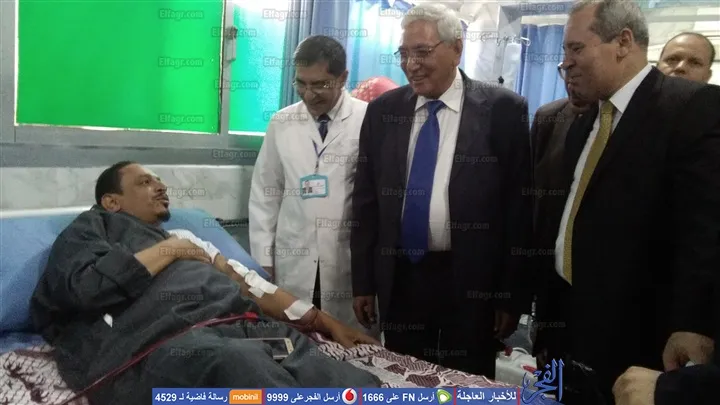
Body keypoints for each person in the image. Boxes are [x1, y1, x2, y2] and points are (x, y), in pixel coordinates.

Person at [30, 161, 381, 405]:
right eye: (145, 182)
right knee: (243, 366)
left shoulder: (188, 239)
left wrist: (325, 322)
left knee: (330, 373)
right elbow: (87, 288)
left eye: (159, 181)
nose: (160, 186)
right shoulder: (92, 229)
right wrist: (169, 250)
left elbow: (251, 285)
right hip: (169, 340)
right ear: (111, 202)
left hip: (245, 326)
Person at [532, 0, 720, 402]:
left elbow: (705, 229)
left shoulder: (692, 108)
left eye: (576, 48)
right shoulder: (585, 121)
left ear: (623, 42)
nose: (566, 62)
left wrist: (694, 323)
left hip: (636, 343)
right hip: (564, 327)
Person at [351, 3, 533, 377]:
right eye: (404, 53)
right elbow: (366, 202)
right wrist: (364, 282)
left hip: (472, 281)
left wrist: (510, 296)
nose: (411, 64)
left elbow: (518, 211)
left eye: (422, 52)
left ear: (456, 48)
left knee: (466, 381)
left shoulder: (502, 110)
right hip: (403, 277)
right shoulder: (384, 112)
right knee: (404, 376)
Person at [249, 35, 374, 335]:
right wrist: (263, 259)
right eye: (301, 83)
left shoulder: (368, 119)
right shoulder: (281, 122)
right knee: (297, 338)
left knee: (351, 343)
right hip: (293, 255)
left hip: (345, 259)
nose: (308, 94)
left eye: (319, 84)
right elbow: (265, 193)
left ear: (342, 78)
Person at [530, 65, 592, 371]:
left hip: (603, 282)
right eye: (565, 69)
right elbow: (532, 191)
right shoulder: (549, 117)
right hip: (551, 271)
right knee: (550, 372)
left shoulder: (632, 123)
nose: (571, 77)